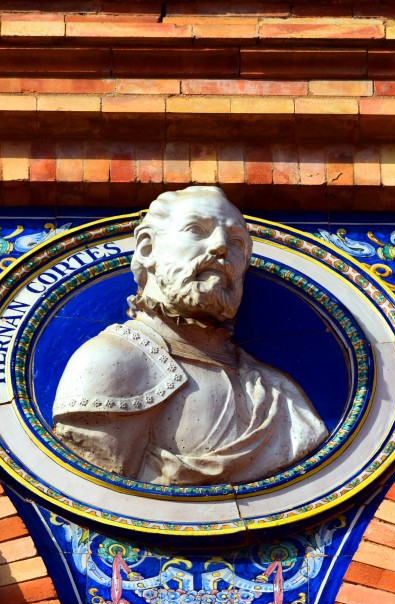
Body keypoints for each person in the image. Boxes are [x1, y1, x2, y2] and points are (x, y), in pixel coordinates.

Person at [52, 186, 327, 486]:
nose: (221, 246)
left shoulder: (279, 394)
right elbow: (102, 496)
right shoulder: (112, 362)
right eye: (197, 230)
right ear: (147, 248)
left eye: (236, 242)